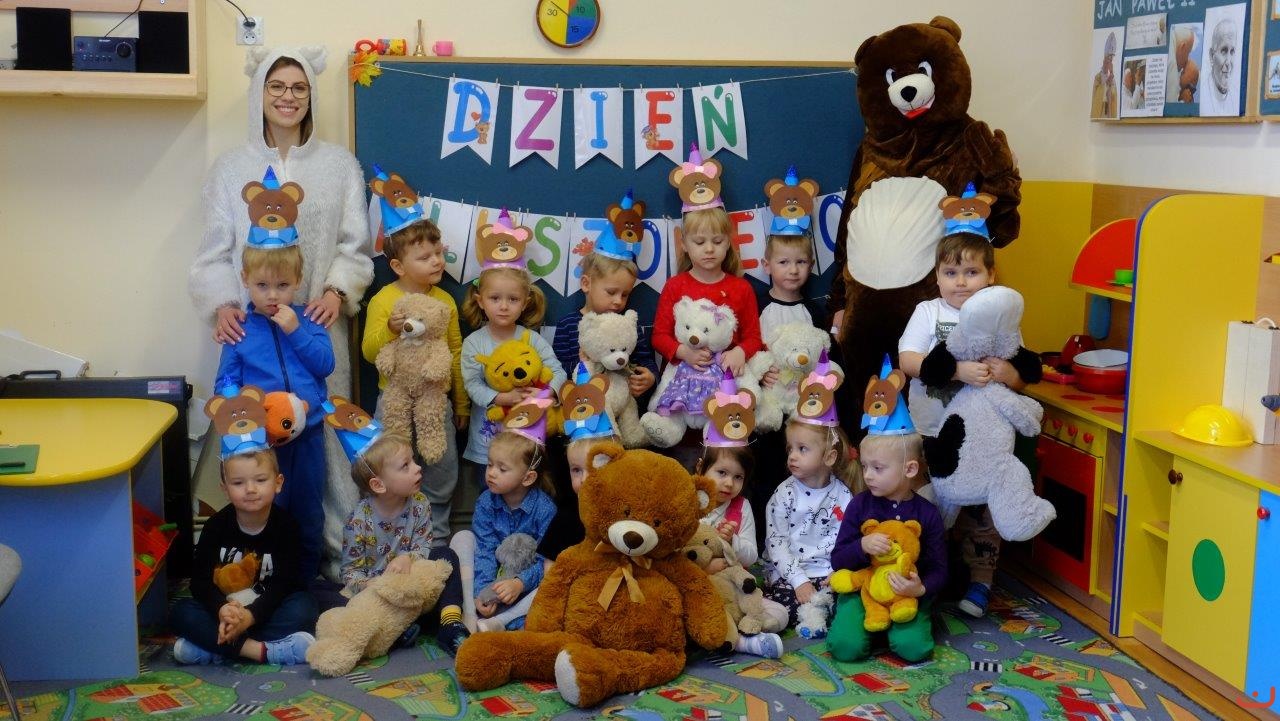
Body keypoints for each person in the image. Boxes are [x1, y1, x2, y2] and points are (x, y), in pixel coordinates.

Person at [190, 47, 374, 578]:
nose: (287, 97)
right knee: (260, 449)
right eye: (276, 86)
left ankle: (334, 556)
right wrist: (224, 304)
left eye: (298, 87)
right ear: (259, 94)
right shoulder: (231, 168)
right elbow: (213, 250)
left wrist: (337, 291)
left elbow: (355, 245)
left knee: (324, 443)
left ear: (311, 95)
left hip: (316, 327)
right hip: (252, 335)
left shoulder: (339, 166)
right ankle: (265, 561)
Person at [898, 209, 1039, 618]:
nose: (960, 282)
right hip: (930, 430)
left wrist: (1008, 373)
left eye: (972, 272)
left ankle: (981, 579)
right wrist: (956, 371)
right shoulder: (928, 312)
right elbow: (908, 360)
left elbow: (1020, 371)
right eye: (951, 272)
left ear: (990, 276)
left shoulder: (1001, 317)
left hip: (984, 441)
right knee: (929, 504)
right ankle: (926, 575)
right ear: (937, 277)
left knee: (981, 511)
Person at [213, 178, 334, 581]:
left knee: (308, 510)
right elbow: (225, 383)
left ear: (297, 281)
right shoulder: (240, 330)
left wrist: (295, 330)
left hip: (309, 436)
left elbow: (325, 364)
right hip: (261, 446)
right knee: (267, 512)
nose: (272, 295)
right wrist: (240, 411)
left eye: (282, 286)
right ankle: (268, 580)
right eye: (262, 285)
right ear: (245, 279)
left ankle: (306, 582)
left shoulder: (309, 319)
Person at [361, 177, 467, 545]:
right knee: (391, 465)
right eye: (424, 257)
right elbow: (369, 352)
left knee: (440, 468)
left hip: (435, 401)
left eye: (438, 252)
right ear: (397, 265)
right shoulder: (383, 300)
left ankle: (437, 541)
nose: (436, 261)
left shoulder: (446, 301)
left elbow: (455, 354)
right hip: (393, 400)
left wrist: (461, 403)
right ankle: (390, 540)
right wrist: (391, 331)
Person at [170, 418, 316, 665]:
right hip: (225, 612)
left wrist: (250, 617)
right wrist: (221, 609)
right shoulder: (216, 526)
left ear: (278, 483)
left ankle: (214, 647)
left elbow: (285, 584)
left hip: (264, 611)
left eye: (260, 480)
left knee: (305, 608)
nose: (250, 489)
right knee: (180, 612)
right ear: (225, 488)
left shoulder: (287, 526)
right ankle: (259, 651)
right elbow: (200, 583)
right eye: (238, 483)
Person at [335, 427, 470, 656]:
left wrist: (408, 558)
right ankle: (395, 632)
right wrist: (371, 585)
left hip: (414, 587)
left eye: (413, 460)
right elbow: (350, 573)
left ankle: (450, 622)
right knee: (332, 597)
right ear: (378, 485)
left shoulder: (420, 503)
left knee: (446, 555)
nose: (418, 468)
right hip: (381, 597)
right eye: (405, 466)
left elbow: (424, 546)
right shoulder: (358, 521)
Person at [461, 215, 567, 502]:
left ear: (525, 302)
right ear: (480, 300)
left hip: (527, 439)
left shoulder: (531, 339)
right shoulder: (474, 343)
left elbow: (558, 371)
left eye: (513, 299)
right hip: (488, 442)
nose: (504, 306)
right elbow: (472, 385)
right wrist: (500, 398)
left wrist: (546, 393)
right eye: (495, 298)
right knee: (490, 495)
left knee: (527, 494)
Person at [827, 415, 946, 663]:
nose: (868, 475)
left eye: (878, 468)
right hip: (863, 590)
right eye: (864, 466)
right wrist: (862, 546)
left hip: (906, 595)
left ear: (909, 469)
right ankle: (870, 627)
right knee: (845, 648)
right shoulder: (859, 505)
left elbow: (939, 568)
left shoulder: (927, 513)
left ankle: (888, 630)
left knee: (915, 649)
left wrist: (921, 588)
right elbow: (838, 560)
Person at [762, 354, 860, 628]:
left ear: (829, 457)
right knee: (786, 606)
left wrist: (838, 571)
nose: (792, 456)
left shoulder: (843, 496)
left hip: (828, 573)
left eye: (802, 449)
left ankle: (821, 615)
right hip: (792, 573)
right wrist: (799, 581)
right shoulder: (783, 495)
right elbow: (776, 543)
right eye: (790, 449)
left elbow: (847, 540)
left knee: (851, 604)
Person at [697, 374, 787, 658]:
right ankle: (744, 641)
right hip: (698, 586)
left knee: (780, 613)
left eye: (738, 477)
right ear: (701, 469)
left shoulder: (741, 507)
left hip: (735, 587)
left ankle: (738, 631)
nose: (729, 484)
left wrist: (733, 541)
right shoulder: (688, 501)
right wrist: (706, 567)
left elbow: (751, 555)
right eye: (721, 473)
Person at [452, 408, 557, 632]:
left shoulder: (545, 509)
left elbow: (544, 561)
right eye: (490, 464)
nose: (491, 473)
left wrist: (519, 583)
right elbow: (485, 550)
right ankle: (470, 611)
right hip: (492, 579)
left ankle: (504, 620)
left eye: (502, 468)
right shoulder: (486, 502)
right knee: (463, 537)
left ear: (528, 478)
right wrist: (483, 592)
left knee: (553, 575)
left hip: (524, 584)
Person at [552, 189, 658, 401]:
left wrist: (650, 377)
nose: (618, 301)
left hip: (623, 406)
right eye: (611, 292)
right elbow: (558, 370)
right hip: (583, 407)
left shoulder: (628, 324)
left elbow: (646, 360)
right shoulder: (568, 325)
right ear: (586, 283)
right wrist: (585, 362)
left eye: (625, 294)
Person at [1201, 17, 1239, 116]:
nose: (1228, 62)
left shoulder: (1236, 96)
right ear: (1211, 56)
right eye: (1224, 51)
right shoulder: (1202, 94)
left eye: (1232, 51)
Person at [1091, 32, 1119, 119]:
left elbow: (1113, 97)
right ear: (1104, 59)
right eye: (1108, 58)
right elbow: (1096, 97)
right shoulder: (1098, 77)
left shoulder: (1112, 78)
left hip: (1109, 113)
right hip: (1101, 112)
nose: (1110, 61)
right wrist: (1106, 84)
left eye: (1111, 58)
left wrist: (1111, 82)